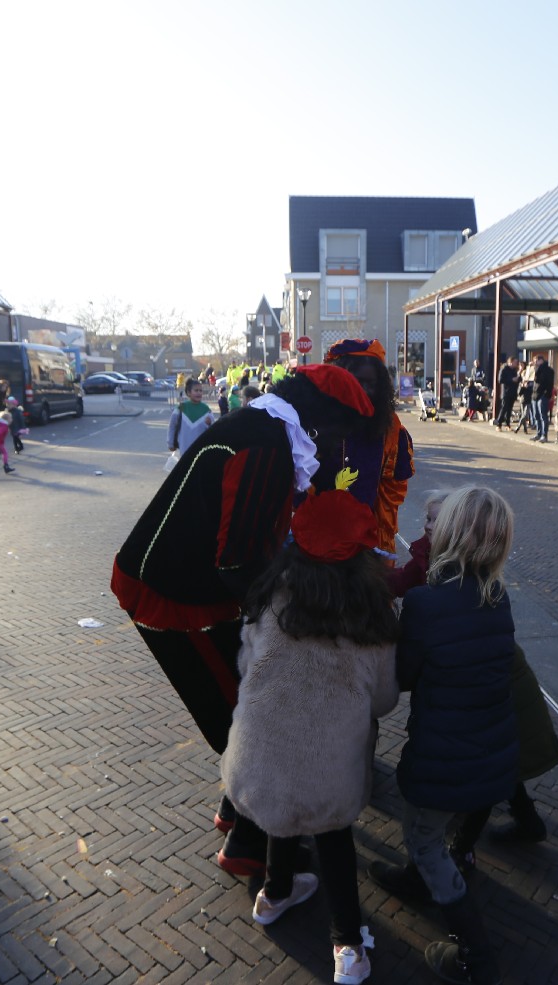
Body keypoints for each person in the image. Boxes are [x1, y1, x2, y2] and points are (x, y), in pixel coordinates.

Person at [111, 365, 373, 875]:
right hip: (176, 596)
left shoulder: (264, 428)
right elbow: (239, 562)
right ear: (320, 420)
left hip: (195, 587)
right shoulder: (264, 447)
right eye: (340, 433)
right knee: (251, 716)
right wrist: (292, 617)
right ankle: (248, 847)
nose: (339, 446)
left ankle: (236, 808)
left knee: (244, 702)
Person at [220, 488, 399, 985]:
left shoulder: (270, 598)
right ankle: (348, 946)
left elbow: (245, 665)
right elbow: (384, 700)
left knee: (284, 795)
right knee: (333, 833)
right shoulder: (372, 618)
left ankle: (275, 894)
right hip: (327, 775)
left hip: (256, 763)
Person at [370, 486, 517, 985]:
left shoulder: (425, 602)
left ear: (450, 533)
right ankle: (414, 880)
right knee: (434, 834)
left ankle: (478, 957)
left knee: (425, 839)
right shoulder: (498, 597)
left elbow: (406, 677)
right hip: (490, 748)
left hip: (443, 755)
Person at [318, 339, 415, 557]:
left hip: (366, 543)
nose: (363, 390)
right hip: (315, 539)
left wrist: (380, 533)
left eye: (370, 383)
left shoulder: (391, 430)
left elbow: (393, 487)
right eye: (356, 381)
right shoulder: (314, 420)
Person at [168, 378, 213, 455]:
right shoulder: (181, 408)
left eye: (200, 391)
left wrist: (210, 423)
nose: (199, 393)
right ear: (188, 393)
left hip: (201, 450)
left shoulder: (206, 409)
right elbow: (172, 426)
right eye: (196, 390)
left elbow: (213, 429)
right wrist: (170, 443)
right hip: (184, 448)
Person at [530, 354, 555, 443]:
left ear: (541, 361)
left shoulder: (547, 370)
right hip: (535, 394)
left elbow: (543, 381)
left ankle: (544, 435)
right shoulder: (536, 369)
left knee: (543, 415)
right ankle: (539, 433)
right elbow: (534, 380)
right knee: (536, 415)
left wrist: (547, 394)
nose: (535, 363)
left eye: (536, 361)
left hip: (542, 395)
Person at [495, 356, 520, 430]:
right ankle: (498, 424)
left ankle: (507, 424)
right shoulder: (504, 369)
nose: (516, 364)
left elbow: (518, 379)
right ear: (510, 362)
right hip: (506, 392)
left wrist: (518, 379)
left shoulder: (515, 370)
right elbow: (500, 380)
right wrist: (511, 380)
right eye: (515, 362)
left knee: (509, 409)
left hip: (513, 392)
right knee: (504, 408)